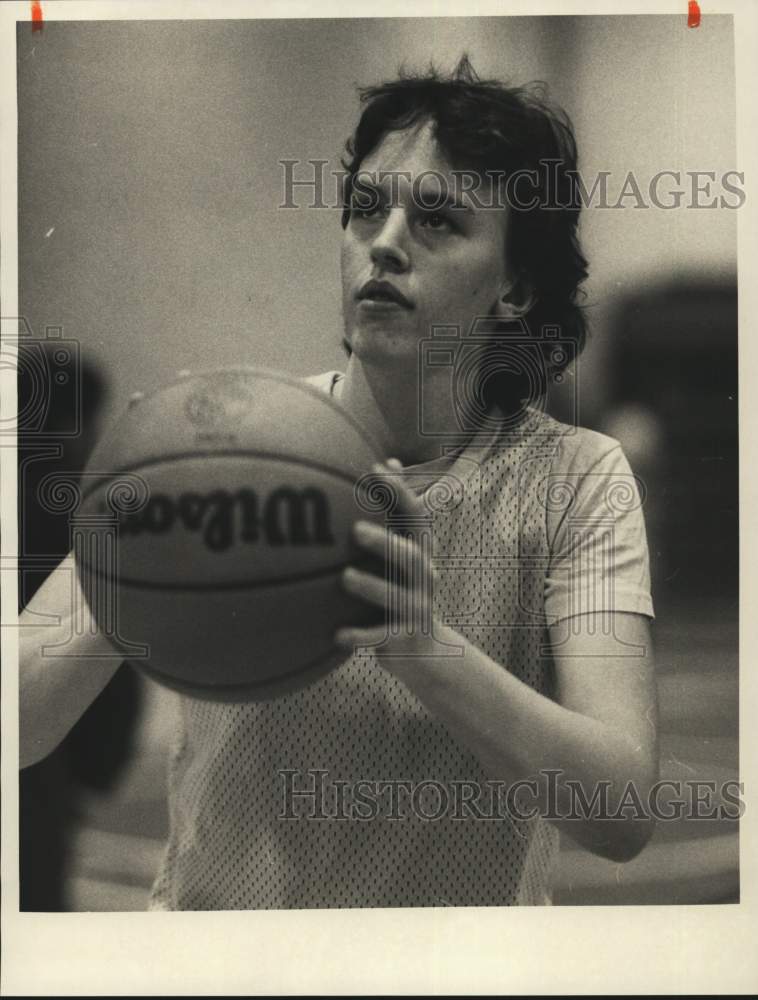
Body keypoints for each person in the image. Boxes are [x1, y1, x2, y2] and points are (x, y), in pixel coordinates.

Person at [19, 57, 658, 909]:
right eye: (366, 209)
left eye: (437, 220)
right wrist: (121, 563)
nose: (385, 241)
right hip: (223, 968)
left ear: (516, 284)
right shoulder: (223, 444)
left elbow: (620, 810)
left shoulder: (577, 479)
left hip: (456, 973)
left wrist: (428, 652)